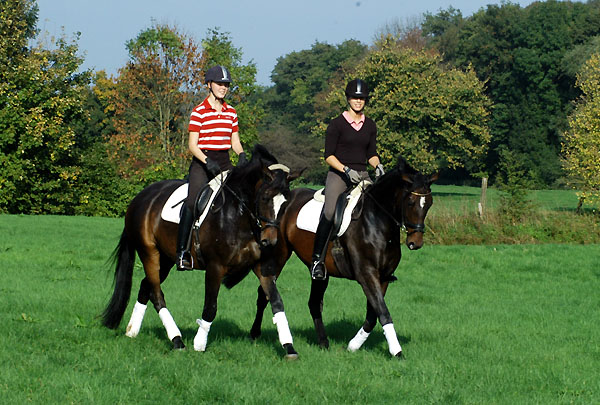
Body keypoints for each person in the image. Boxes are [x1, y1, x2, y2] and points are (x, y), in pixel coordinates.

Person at [310, 78, 385, 280]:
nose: (358, 101)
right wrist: (345, 169)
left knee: (378, 208)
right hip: (339, 174)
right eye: (355, 98)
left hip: (362, 175)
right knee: (329, 211)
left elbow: (371, 153)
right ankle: (317, 260)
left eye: (362, 98)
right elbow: (328, 155)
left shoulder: (370, 125)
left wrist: (377, 165)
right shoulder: (336, 125)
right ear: (348, 99)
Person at [176, 65, 247, 271]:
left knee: (239, 199)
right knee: (192, 202)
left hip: (224, 161)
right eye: (219, 84)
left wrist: (241, 155)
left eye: (226, 85)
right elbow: (192, 145)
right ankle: (182, 253)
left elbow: (235, 141)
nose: (223, 88)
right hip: (202, 162)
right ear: (209, 85)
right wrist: (206, 161)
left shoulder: (231, 112)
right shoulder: (199, 112)